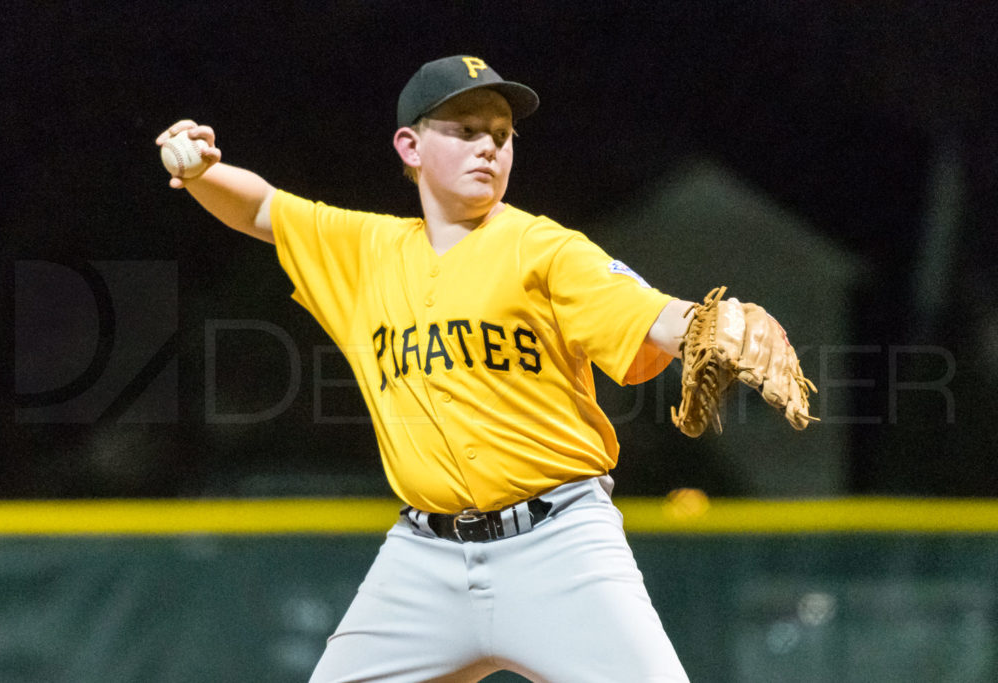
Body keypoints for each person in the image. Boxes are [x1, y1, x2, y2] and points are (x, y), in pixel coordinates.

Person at [157, 55, 712, 682]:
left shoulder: (546, 247)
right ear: (410, 145)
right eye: (466, 130)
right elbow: (263, 211)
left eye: (502, 136)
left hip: (560, 545)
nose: (489, 149)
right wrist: (204, 172)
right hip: (423, 560)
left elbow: (656, 316)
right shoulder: (367, 250)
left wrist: (703, 326)